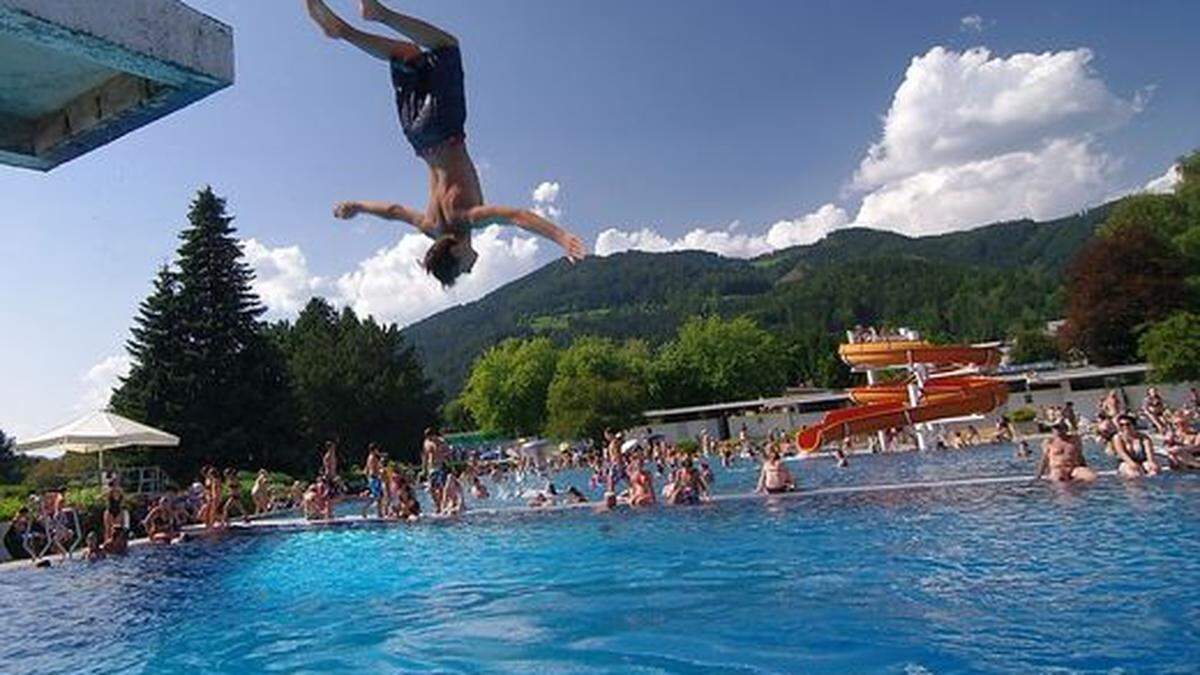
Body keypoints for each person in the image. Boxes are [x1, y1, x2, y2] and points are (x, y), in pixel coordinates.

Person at [304, 0, 586, 288]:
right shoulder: (430, 226)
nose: (470, 270)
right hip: (416, 137)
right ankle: (343, 31)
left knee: (446, 47)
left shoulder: (467, 218)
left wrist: (561, 237)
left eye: (463, 269)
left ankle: (378, 14)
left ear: (456, 251)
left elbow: (518, 216)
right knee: (408, 54)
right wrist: (357, 206)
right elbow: (394, 212)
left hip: (444, 128)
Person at [422, 427, 450, 512]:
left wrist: (441, 454)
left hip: (440, 466)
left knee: (441, 487)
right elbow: (425, 456)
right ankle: (438, 504)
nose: (429, 439)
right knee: (431, 489)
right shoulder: (426, 443)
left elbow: (448, 451)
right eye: (427, 437)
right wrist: (424, 468)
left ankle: (441, 506)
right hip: (431, 468)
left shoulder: (440, 441)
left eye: (430, 437)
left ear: (434, 435)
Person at [363, 443, 385, 518]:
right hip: (374, 478)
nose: (378, 451)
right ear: (374, 450)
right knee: (377, 497)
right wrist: (380, 472)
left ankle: (380, 513)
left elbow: (366, 470)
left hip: (372, 479)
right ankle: (365, 510)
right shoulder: (373, 458)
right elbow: (373, 470)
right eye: (377, 449)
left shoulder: (369, 457)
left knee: (379, 497)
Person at [103, 477, 124, 542]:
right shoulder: (109, 491)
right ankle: (107, 542)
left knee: (118, 528)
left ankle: (117, 542)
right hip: (110, 511)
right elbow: (104, 497)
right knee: (108, 529)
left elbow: (122, 500)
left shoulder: (120, 491)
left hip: (118, 510)